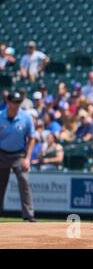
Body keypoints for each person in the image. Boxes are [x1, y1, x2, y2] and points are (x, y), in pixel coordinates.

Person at [0, 91, 36, 221]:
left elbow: (32, 138)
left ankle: (28, 214)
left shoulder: (26, 117)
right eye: (14, 102)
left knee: (24, 181)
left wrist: (27, 158)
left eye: (18, 102)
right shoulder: (0, 116)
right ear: (8, 102)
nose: (16, 105)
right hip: (2, 153)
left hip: (19, 154)